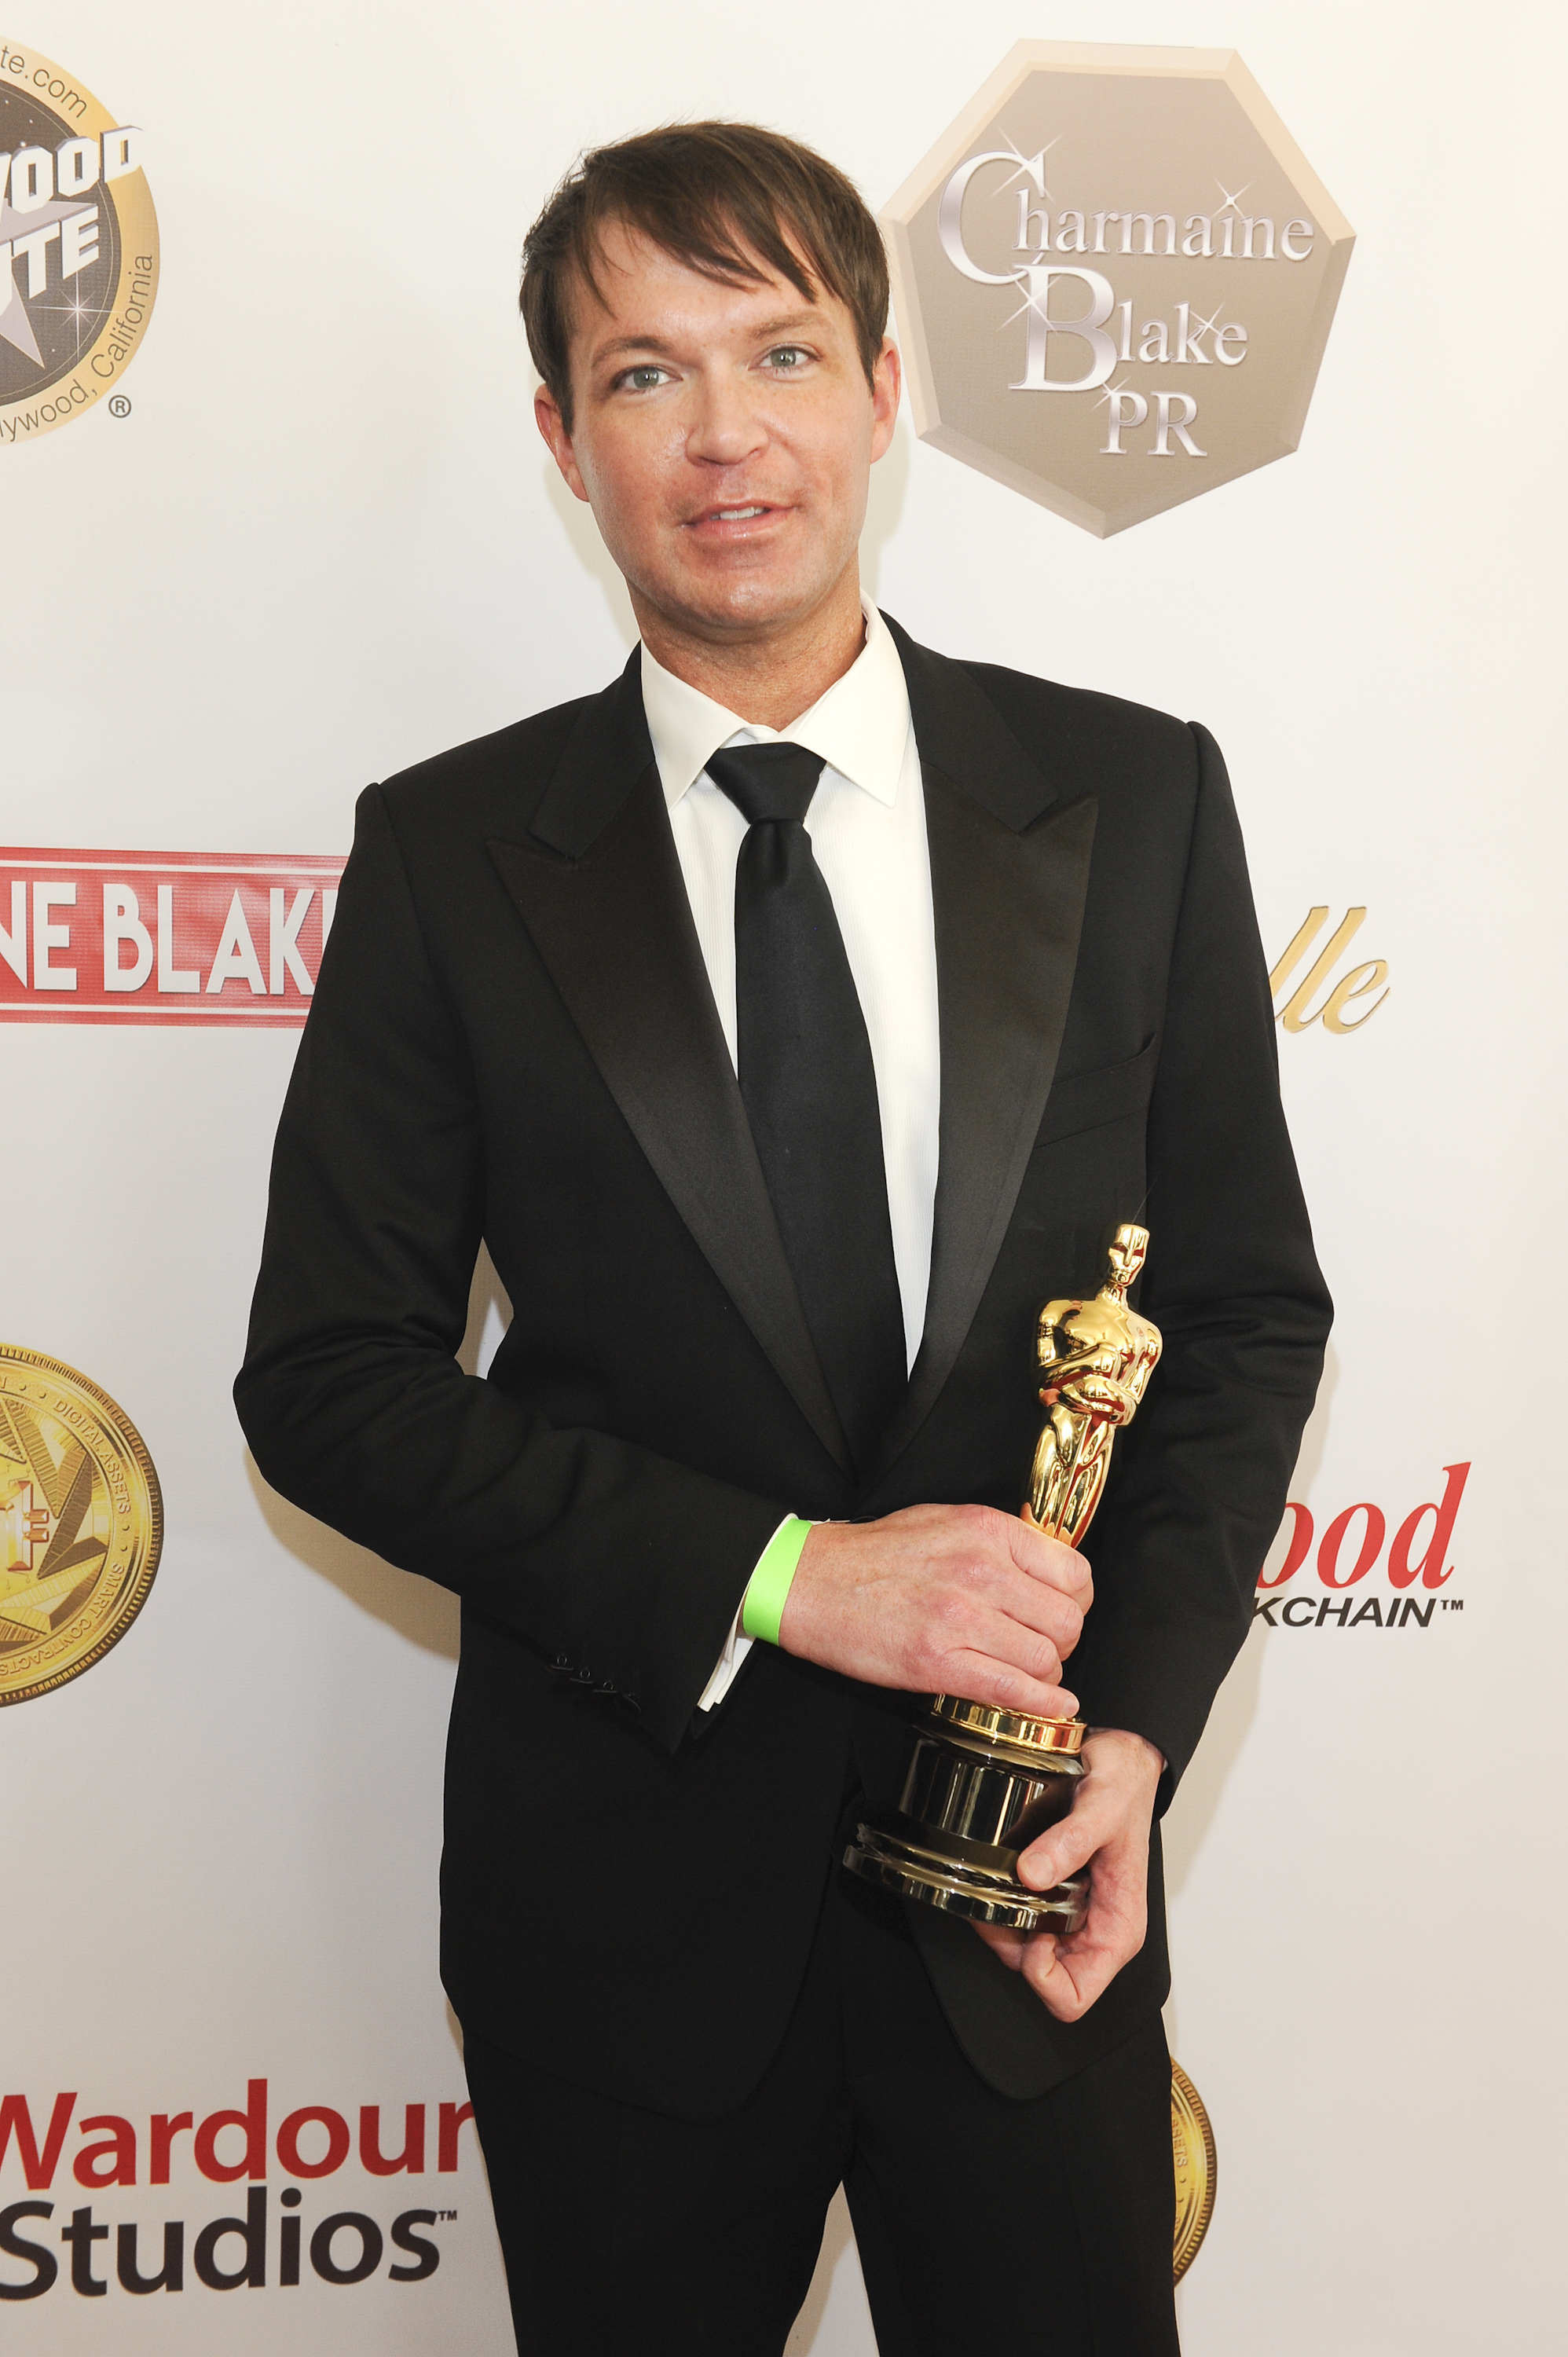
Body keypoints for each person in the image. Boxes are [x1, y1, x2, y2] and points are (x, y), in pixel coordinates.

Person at [235, 120, 1330, 2356]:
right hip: (622, 1915)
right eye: (642, 375)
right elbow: (329, 1377)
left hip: (1031, 1899)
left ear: (883, 389)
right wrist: (786, 1578)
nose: (723, 435)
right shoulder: (453, 856)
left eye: (779, 352)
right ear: (560, 438)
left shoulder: (1132, 799)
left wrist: (1121, 1740)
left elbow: (1229, 1315)